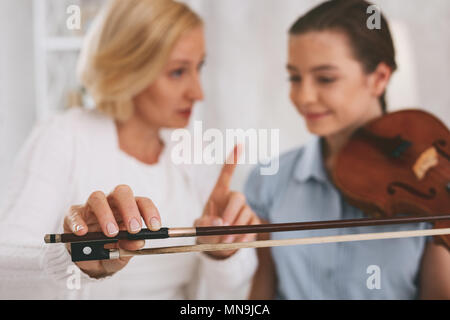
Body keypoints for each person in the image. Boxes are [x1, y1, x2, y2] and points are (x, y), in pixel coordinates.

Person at [0, 0, 258, 299]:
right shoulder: (63, 136)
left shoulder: (190, 151)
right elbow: (5, 271)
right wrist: (71, 260)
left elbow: (230, 297)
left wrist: (222, 253)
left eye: (198, 68)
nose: (197, 92)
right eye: (177, 72)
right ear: (130, 67)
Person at [245, 0, 450, 299]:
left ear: (379, 78)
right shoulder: (270, 181)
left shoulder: (426, 192)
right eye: (294, 77)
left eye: (325, 78)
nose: (304, 96)